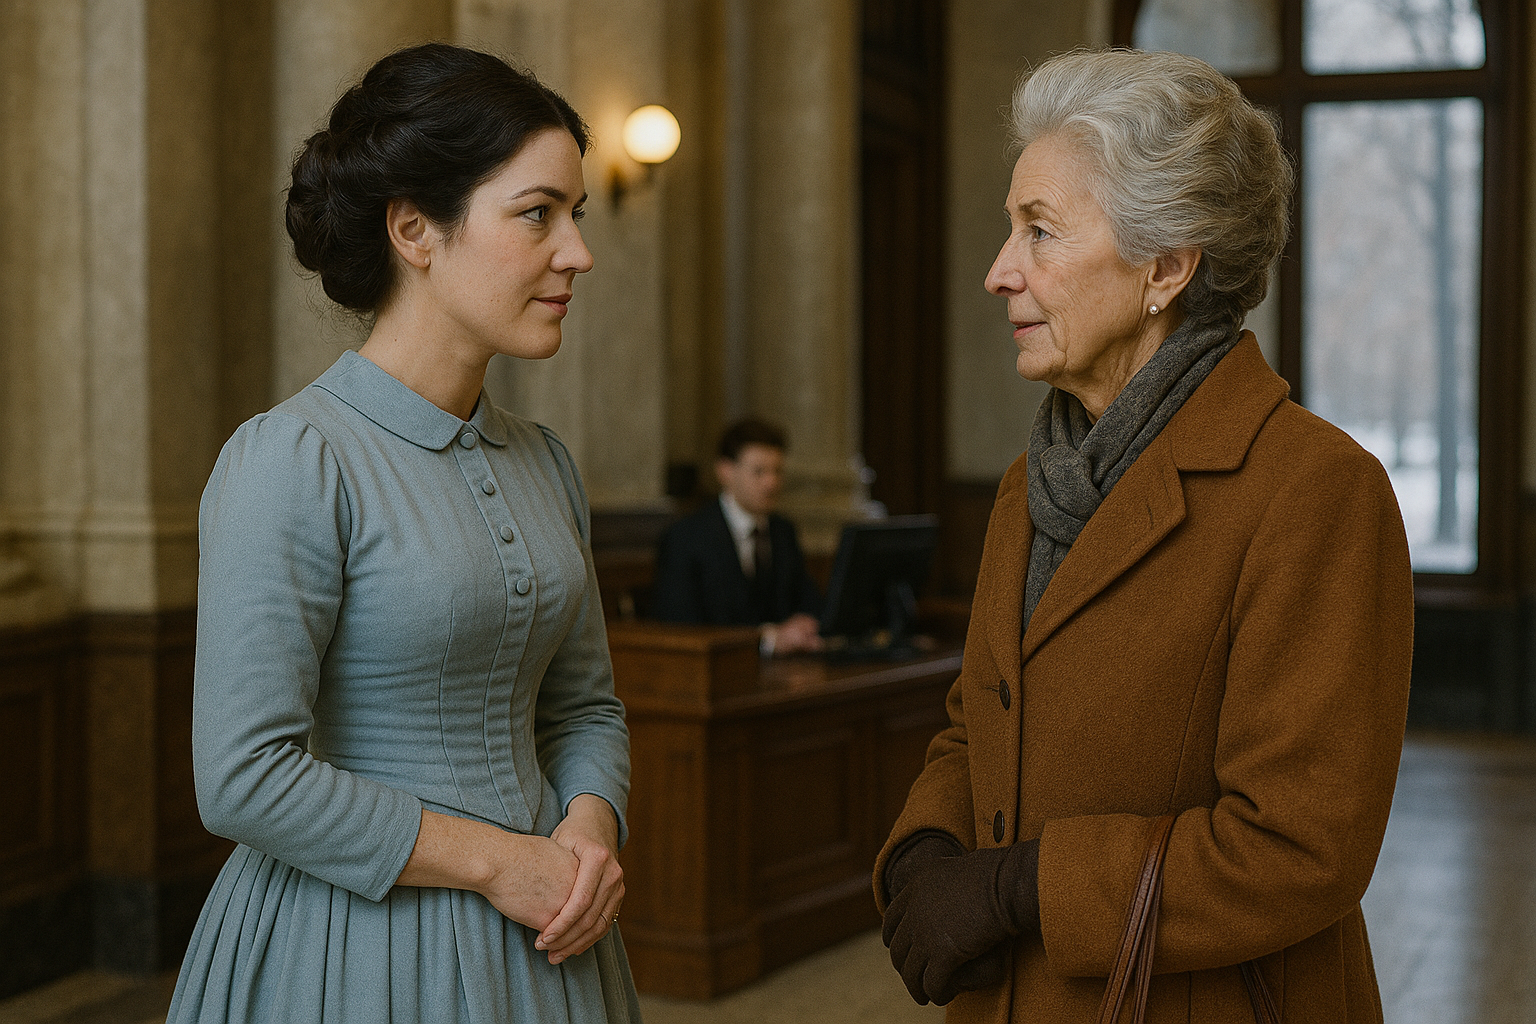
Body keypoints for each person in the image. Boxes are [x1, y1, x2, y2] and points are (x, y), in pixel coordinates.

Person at [876, 48, 1413, 1023]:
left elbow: (1303, 846)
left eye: (1040, 231)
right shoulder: (1020, 487)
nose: (1000, 271)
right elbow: (976, 724)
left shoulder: (1319, 489)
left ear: (1167, 267)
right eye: (1011, 229)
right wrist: (926, 848)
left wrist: (1024, 888)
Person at [167, 44, 641, 1024]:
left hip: (547, 941)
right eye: (537, 213)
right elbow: (243, 775)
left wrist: (588, 832)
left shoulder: (544, 458)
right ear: (415, 229)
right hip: (348, 952)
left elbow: (585, 707)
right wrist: (501, 860)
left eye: (576, 216)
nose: (577, 253)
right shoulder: (291, 459)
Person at [650, 418, 824, 654]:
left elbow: (808, 600)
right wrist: (768, 641)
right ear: (725, 471)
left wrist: (806, 624)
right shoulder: (687, 538)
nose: (771, 483)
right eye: (759, 471)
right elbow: (682, 627)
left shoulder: (783, 531)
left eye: (777, 471)